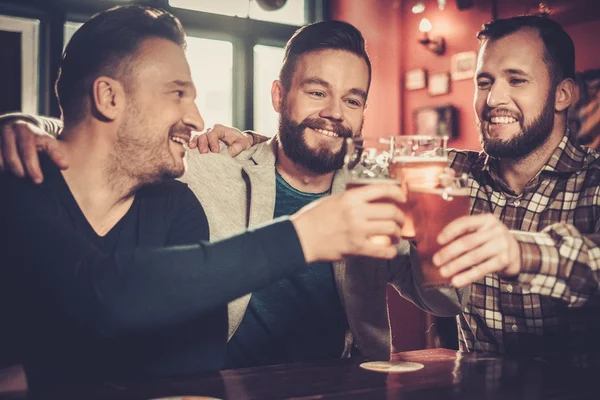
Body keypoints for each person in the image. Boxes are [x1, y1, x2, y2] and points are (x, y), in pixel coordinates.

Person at [0, 18, 463, 369]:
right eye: (317, 92)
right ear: (279, 96)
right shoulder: (208, 171)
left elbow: (444, 303)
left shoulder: (374, 194)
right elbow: (99, 145)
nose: (335, 114)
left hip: (344, 381)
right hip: (236, 384)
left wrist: (431, 232)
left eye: (353, 100)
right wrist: (23, 124)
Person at [423, 15, 599, 364]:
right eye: (484, 82)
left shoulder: (594, 180)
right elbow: (355, 166)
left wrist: (518, 253)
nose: (493, 99)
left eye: (516, 80)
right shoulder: (450, 174)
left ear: (562, 94)